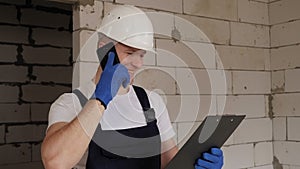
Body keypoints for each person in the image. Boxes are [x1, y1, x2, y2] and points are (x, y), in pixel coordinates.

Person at [41, 5, 224, 169]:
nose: (138, 64)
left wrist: (196, 165)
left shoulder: (151, 102)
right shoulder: (70, 103)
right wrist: (99, 100)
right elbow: (55, 162)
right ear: (104, 49)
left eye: (142, 55)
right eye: (130, 53)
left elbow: (169, 162)